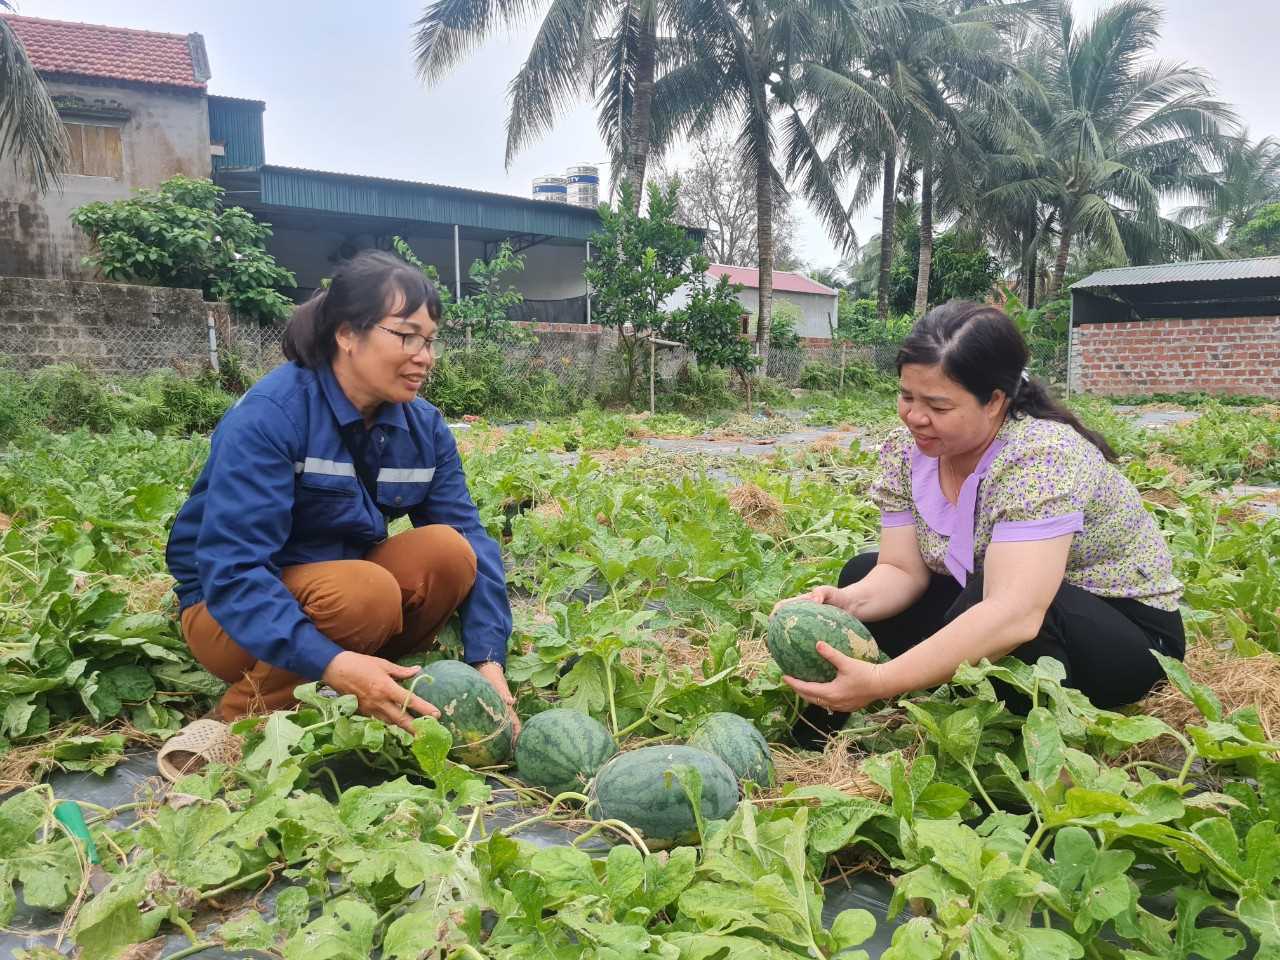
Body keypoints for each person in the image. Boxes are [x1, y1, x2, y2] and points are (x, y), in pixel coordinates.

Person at [778, 302, 1185, 742]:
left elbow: (1016, 614)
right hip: (996, 599)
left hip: (1124, 638)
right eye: (907, 396)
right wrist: (844, 603)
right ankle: (828, 731)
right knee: (860, 573)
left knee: (997, 604)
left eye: (937, 404)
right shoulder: (906, 451)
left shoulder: (1041, 455)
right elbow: (900, 570)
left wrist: (884, 680)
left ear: (994, 401)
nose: (915, 416)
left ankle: (1024, 750)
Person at [166, 251, 516, 734]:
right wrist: (331, 661)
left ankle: (371, 679)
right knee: (364, 592)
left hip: (340, 602)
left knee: (450, 552)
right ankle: (232, 723)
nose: (424, 356)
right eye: (406, 336)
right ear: (348, 333)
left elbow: (471, 536)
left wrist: (488, 659)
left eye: (430, 340)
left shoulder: (424, 427)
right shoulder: (274, 414)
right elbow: (233, 571)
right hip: (228, 615)